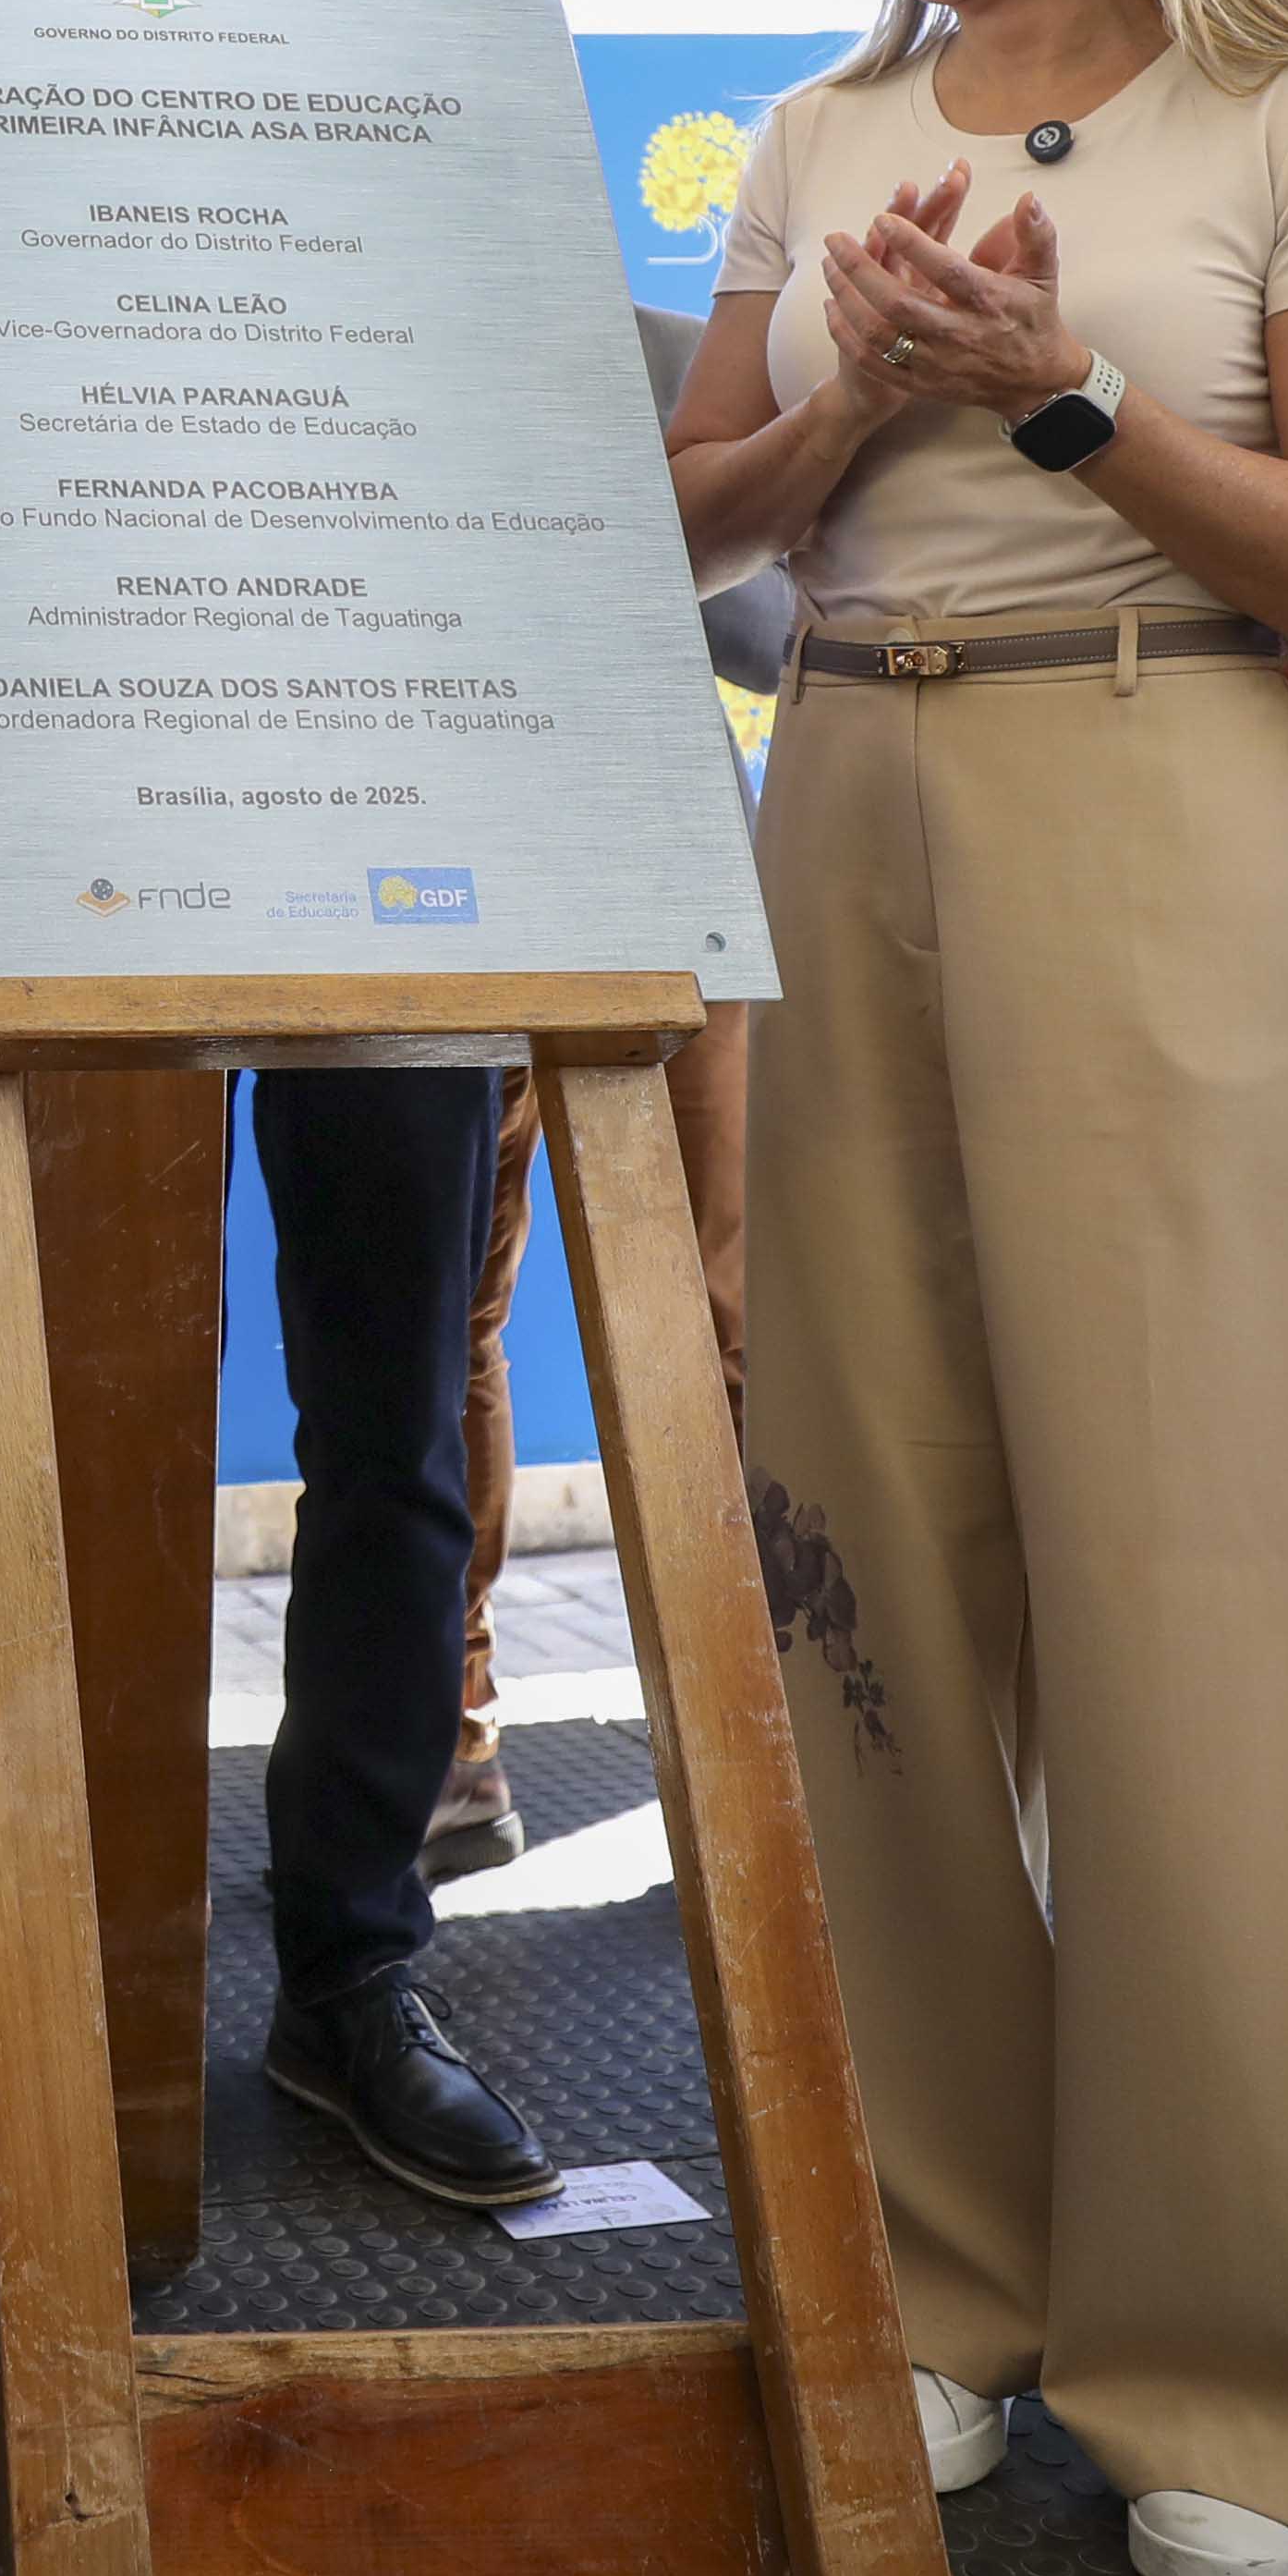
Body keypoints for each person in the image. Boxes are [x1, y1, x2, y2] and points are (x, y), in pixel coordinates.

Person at [666, 0, 1288, 2576]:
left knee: (1209, 1582)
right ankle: (942, 2287)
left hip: (1163, 769)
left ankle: (1262, 2375)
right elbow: (692, 518)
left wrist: (1065, 397)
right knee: (865, 1555)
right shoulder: (826, 124)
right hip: (847, 782)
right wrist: (858, 393)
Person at [0, 0, 565, 2189]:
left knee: (389, 1435)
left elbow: (535, 490)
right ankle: (54, 1958)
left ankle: (353, 1968)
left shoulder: (457, 162)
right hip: (64, 834)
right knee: (16, 1411)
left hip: (382, 853)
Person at [436, 296, 789, 1874]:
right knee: (448, 1328)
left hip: (663, 888)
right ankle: (455, 1740)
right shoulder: (298, 343)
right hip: (426, 899)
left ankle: (778, 1761)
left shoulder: (662, 350)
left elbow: (773, 629)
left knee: (733, 1319)